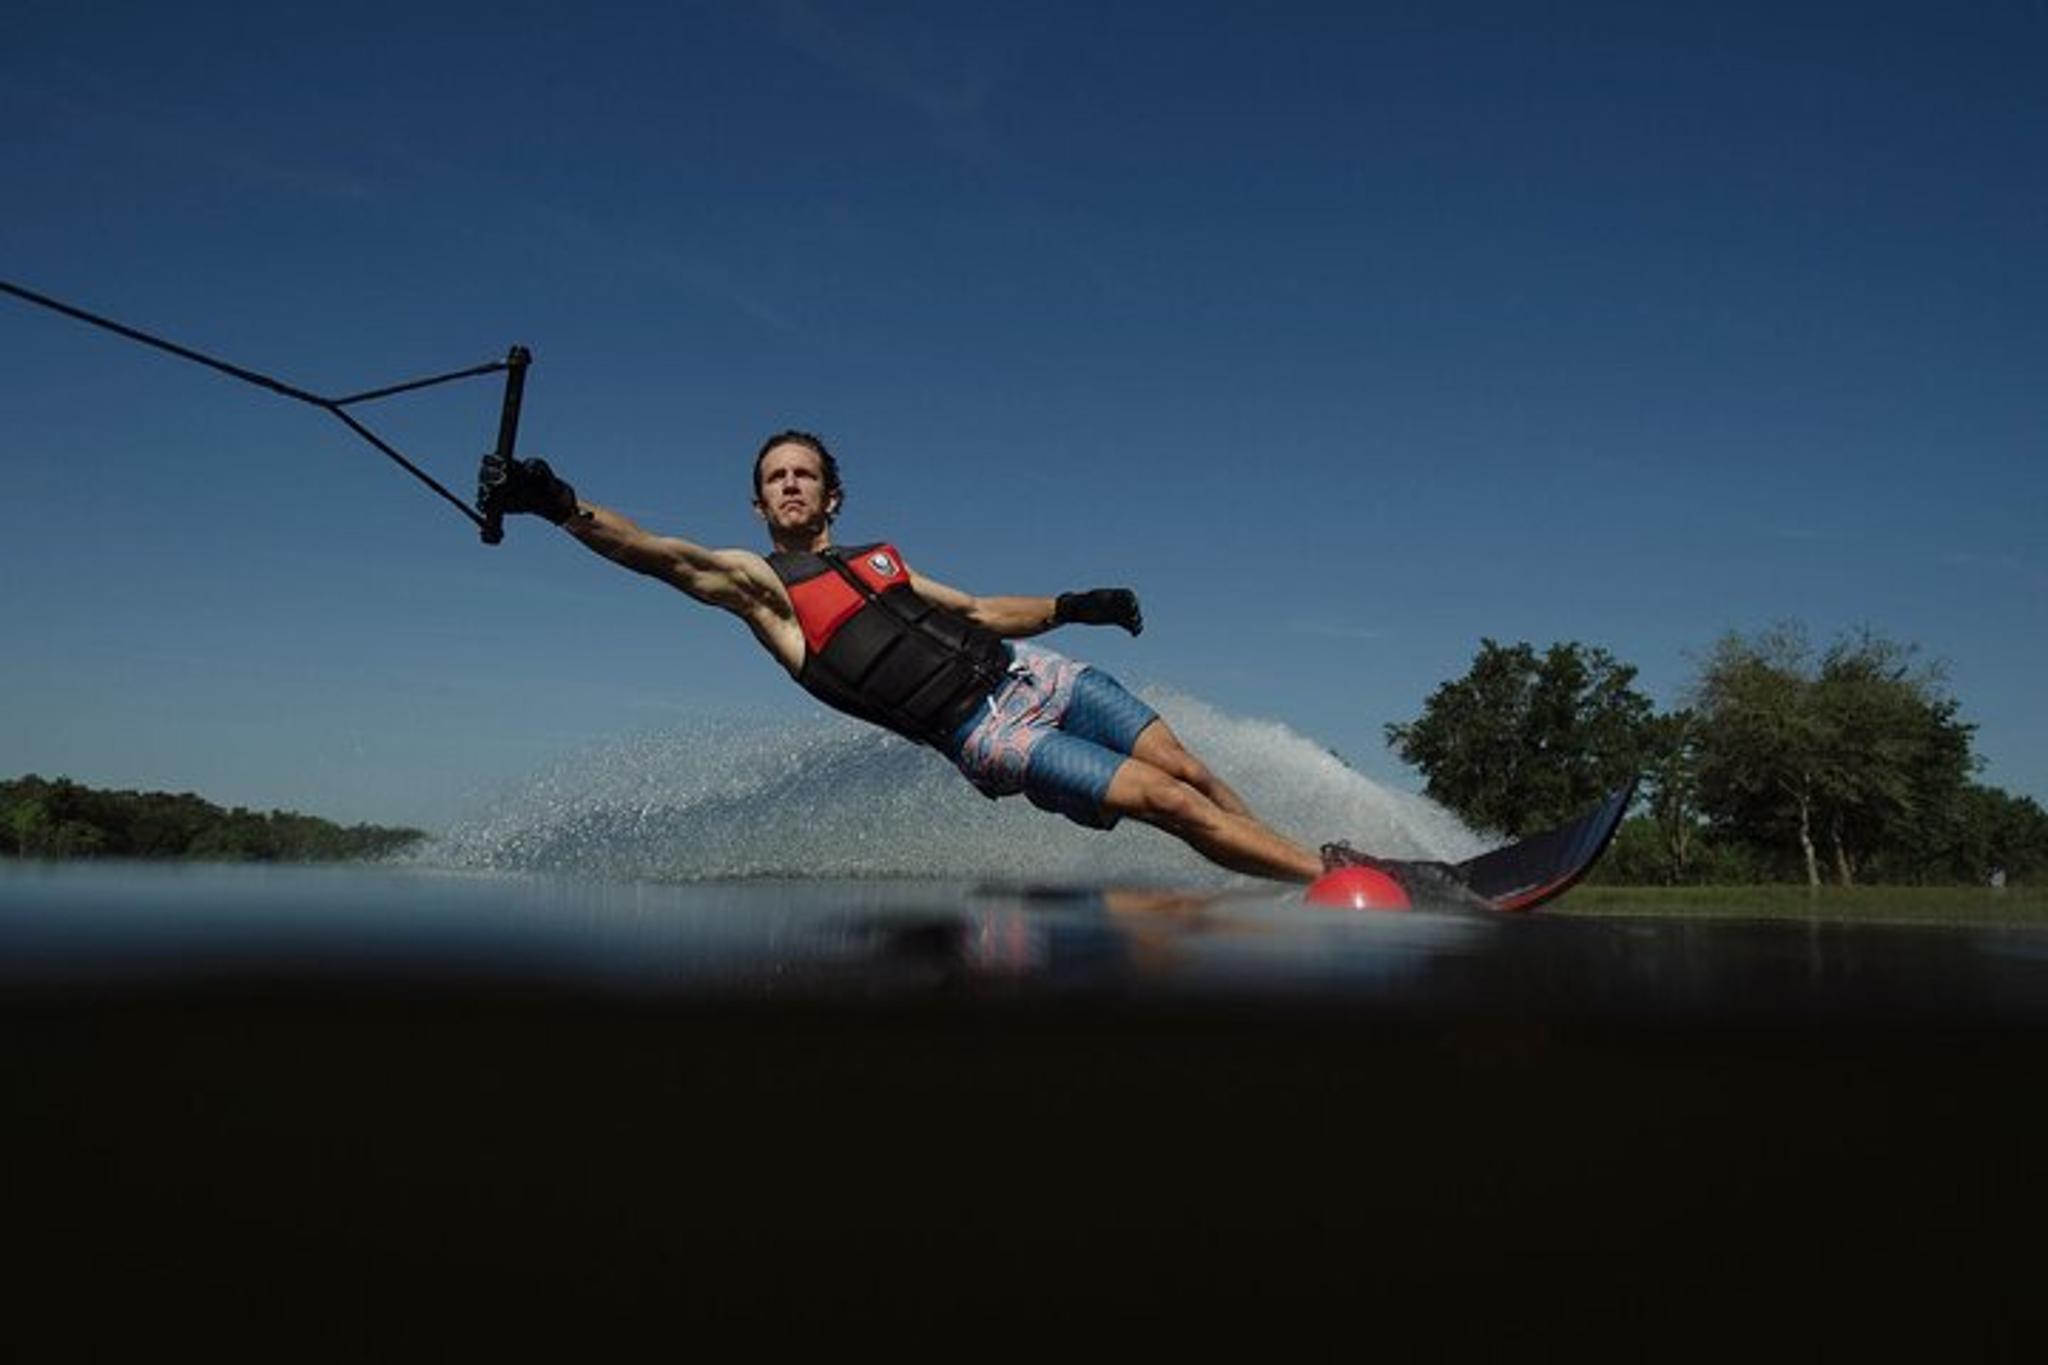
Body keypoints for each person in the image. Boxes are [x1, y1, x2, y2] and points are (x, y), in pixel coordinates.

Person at [478, 432, 1448, 890]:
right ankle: (1342, 879)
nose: (786, 488)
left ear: (830, 496)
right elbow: (658, 555)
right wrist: (562, 505)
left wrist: (1076, 607)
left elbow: (981, 608)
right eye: (771, 479)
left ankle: (1309, 873)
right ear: (757, 503)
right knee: (1167, 804)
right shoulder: (760, 591)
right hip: (986, 733)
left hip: (1036, 674)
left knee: (1191, 768)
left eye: (801, 475)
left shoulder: (882, 560)